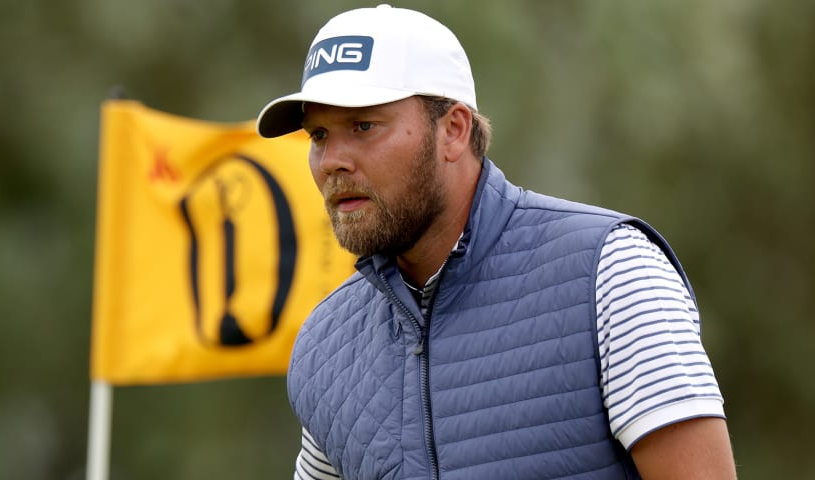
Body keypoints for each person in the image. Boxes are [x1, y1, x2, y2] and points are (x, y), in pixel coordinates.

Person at [256, 5, 736, 479]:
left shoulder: (611, 271)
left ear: (454, 130)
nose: (331, 161)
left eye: (363, 126)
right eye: (319, 134)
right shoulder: (324, 347)